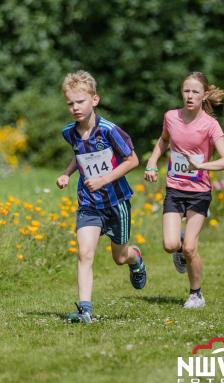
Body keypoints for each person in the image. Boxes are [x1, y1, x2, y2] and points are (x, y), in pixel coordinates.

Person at [56, 70, 146, 324]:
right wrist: (66, 174)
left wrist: (104, 180)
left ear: (94, 99)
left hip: (117, 202)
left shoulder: (109, 131)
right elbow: (78, 154)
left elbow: (133, 160)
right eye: (70, 103)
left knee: (119, 257)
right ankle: (85, 310)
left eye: (80, 101)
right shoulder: (70, 132)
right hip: (88, 204)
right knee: (84, 253)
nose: (75, 108)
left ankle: (135, 259)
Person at [144, 71, 224, 309]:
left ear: (204, 95)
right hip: (174, 188)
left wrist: (201, 165)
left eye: (195, 92)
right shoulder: (171, 117)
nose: (190, 96)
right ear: (181, 93)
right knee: (170, 245)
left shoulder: (210, 125)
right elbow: (163, 140)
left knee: (191, 248)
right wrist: (152, 163)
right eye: (186, 91)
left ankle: (196, 295)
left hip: (199, 191)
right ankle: (180, 244)